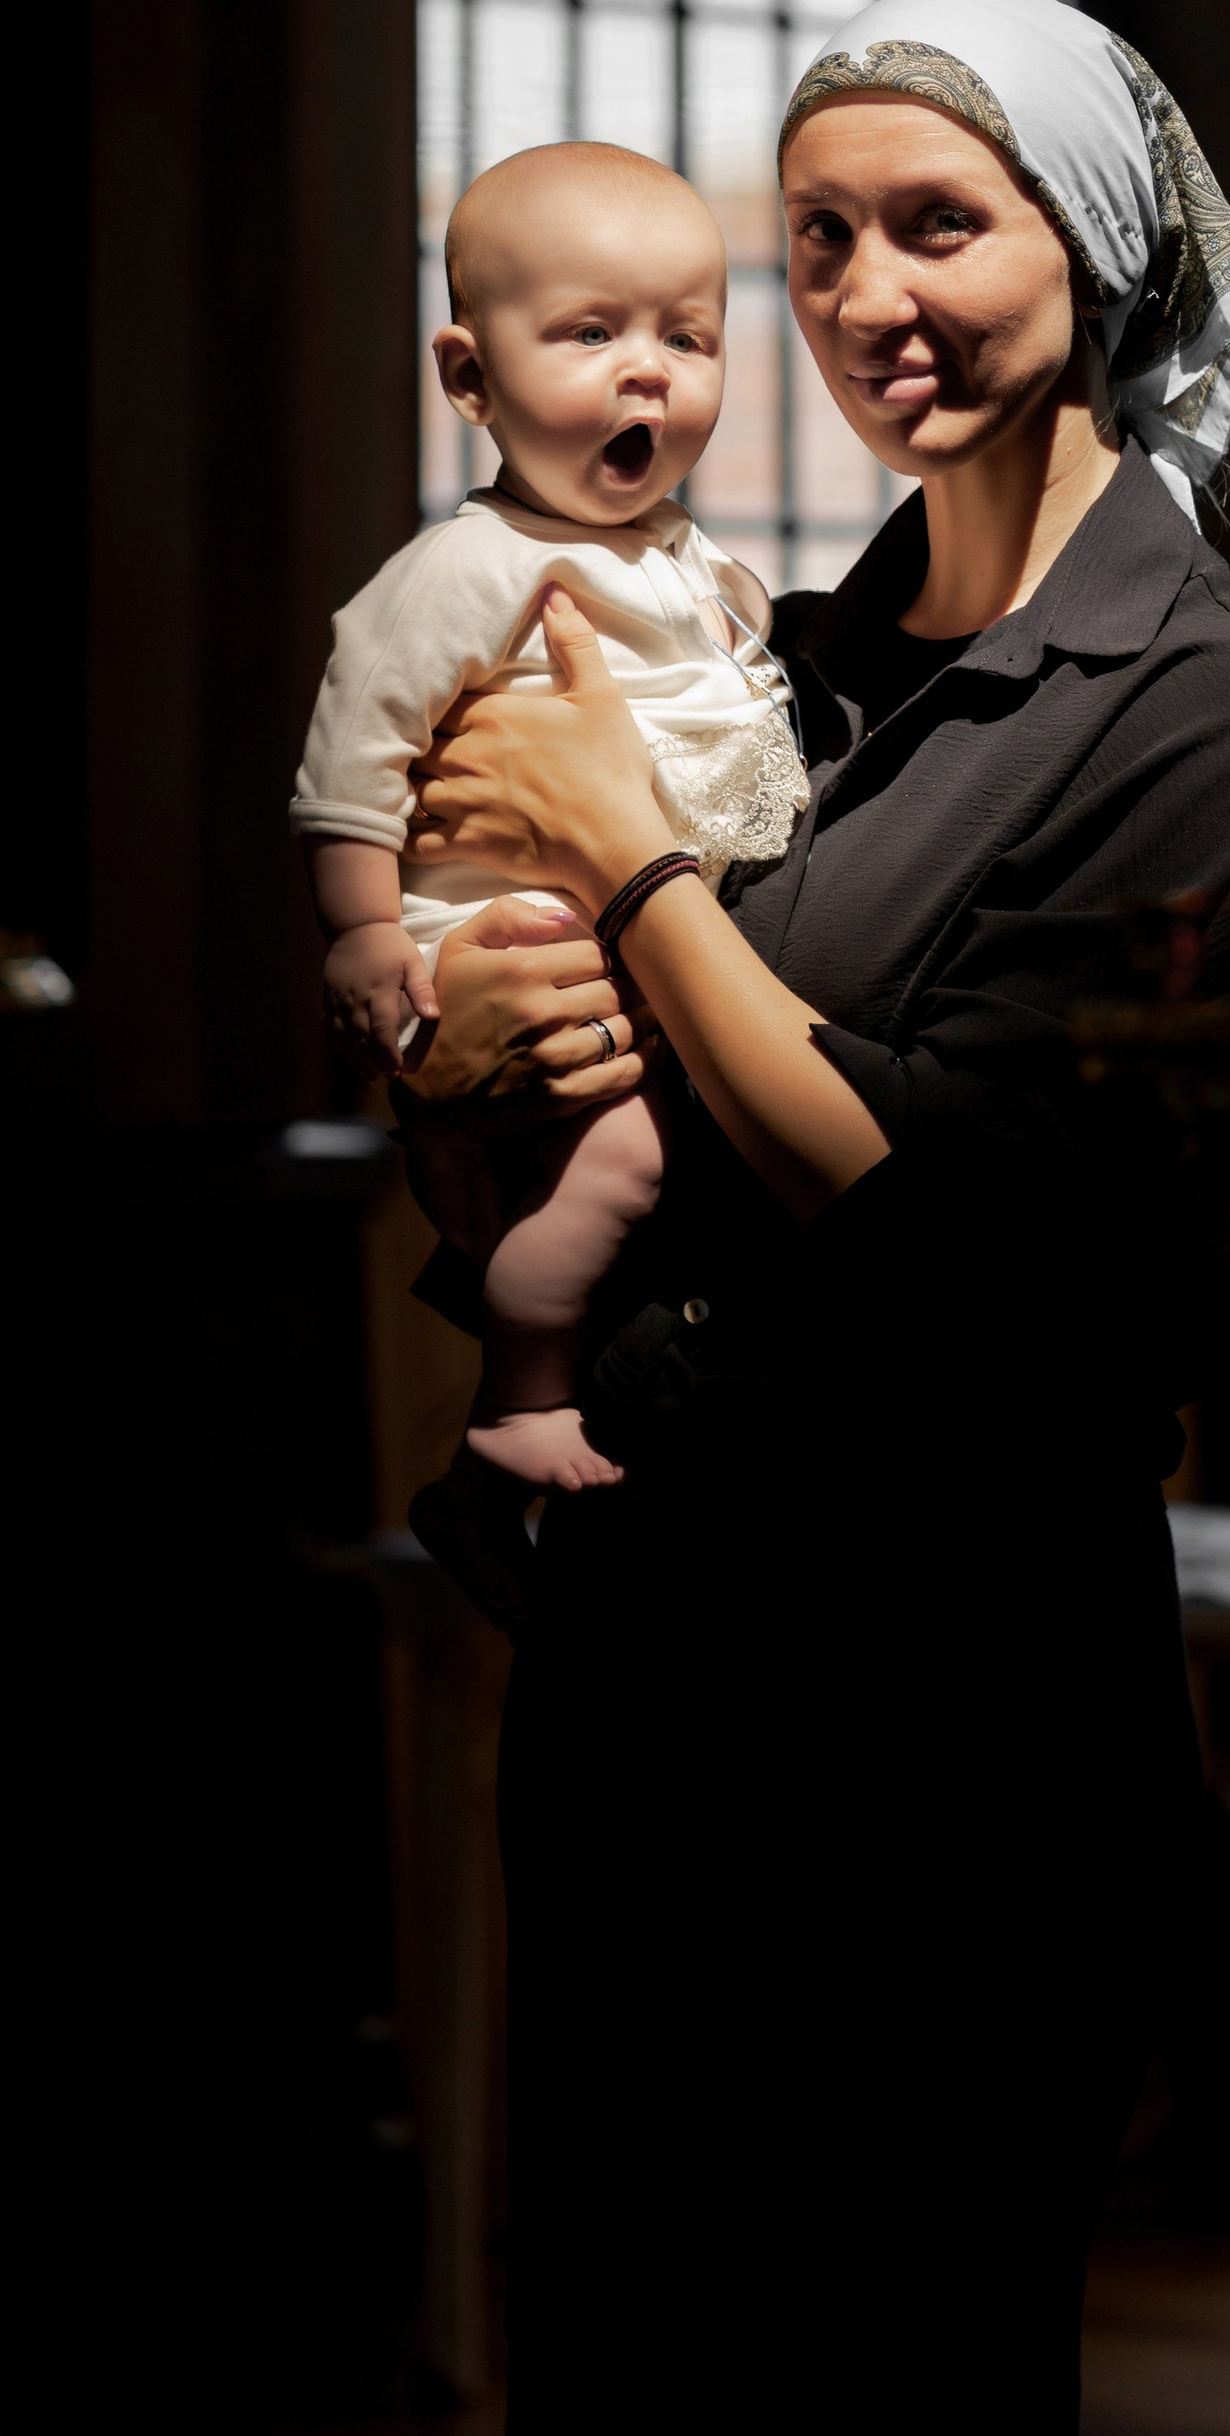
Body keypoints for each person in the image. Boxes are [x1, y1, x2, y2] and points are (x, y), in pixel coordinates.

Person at [399, 0, 1230, 2425]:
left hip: (954, 1708)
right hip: (651, 1666)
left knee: (899, 2363)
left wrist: (630, 871)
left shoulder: (1207, 697)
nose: (865, 299)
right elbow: (593, 1088)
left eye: (941, 225)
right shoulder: (767, 666)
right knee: (621, 2361)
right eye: (815, 240)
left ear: (1093, 250)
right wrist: (456, 1042)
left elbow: (957, 1221)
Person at [293, 141, 805, 1489]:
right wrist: (361, 934)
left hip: (641, 935)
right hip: (512, 939)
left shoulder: (681, 553)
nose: (651, 368)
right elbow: (357, 755)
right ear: (469, 376)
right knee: (625, 1162)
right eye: (592, 332)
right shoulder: (467, 569)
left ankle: (519, 1418)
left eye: (688, 338)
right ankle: (518, 1392)